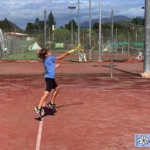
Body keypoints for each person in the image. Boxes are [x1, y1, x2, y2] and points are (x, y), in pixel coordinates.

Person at [34, 48, 70, 117]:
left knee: (57, 89)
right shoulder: (50, 58)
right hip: (49, 78)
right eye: (49, 52)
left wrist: (55, 66)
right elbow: (60, 57)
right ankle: (38, 108)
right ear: (46, 55)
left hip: (50, 78)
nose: (50, 53)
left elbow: (49, 67)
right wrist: (66, 53)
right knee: (46, 94)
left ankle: (51, 103)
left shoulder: (45, 60)